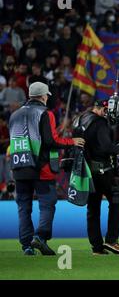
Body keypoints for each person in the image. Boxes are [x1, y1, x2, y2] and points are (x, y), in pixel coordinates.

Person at [9, 82, 85, 255]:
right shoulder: (45, 113)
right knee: (47, 204)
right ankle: (40, 238)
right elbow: (51, 141)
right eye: (47, 96)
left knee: (23, 207)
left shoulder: (14, 115)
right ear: (43, 96)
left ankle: (27, 246)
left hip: (19, 167)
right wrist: (71, 142)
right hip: (41, 167)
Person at [73, 100, 119, 255]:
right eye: (105, 110)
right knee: (117, 201)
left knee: (93, 209)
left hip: (86, 170)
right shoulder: (99, 122)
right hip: (102, 171)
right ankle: (112, 240)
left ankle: (97, 247)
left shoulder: (79, 120)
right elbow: (106, 147)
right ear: (98, 108)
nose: (107, 113)